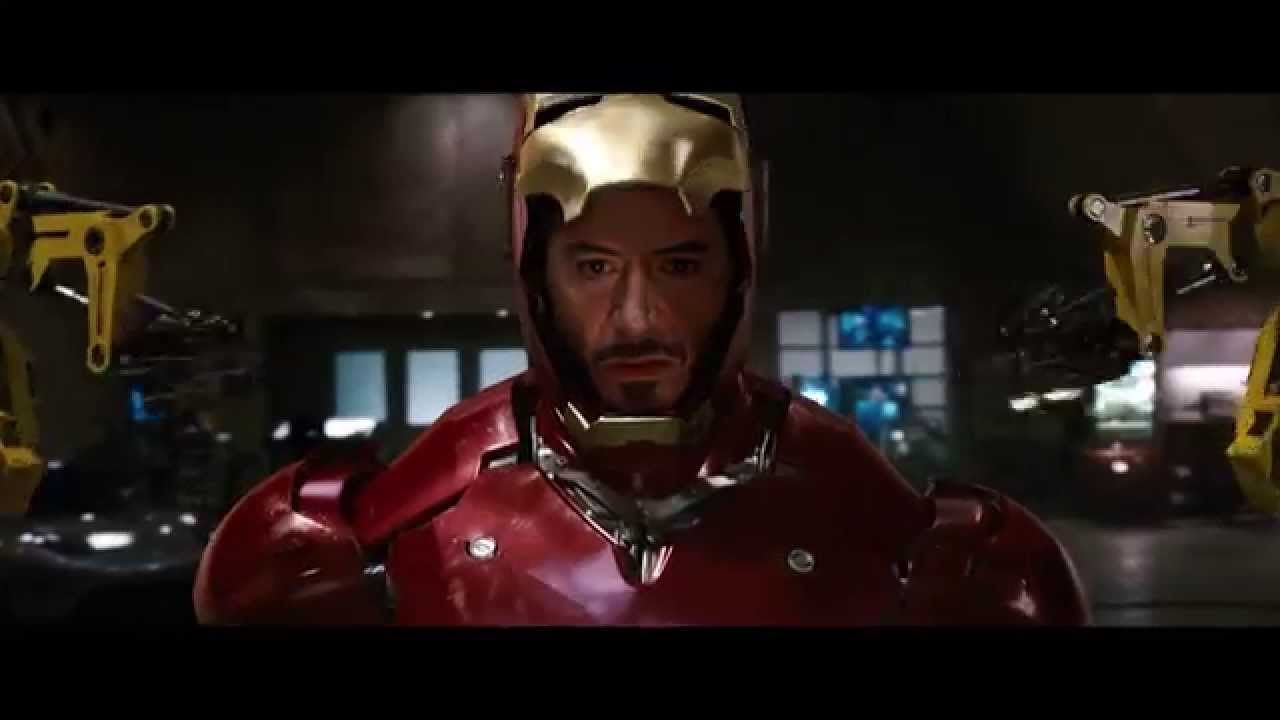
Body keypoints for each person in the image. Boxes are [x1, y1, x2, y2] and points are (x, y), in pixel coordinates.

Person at [193, 94, 1090, 625]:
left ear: (739, 266)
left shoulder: (912, 538)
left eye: (680, 265)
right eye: (593, 267)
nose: (637, 317)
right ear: (533, 272)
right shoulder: (362, 533)